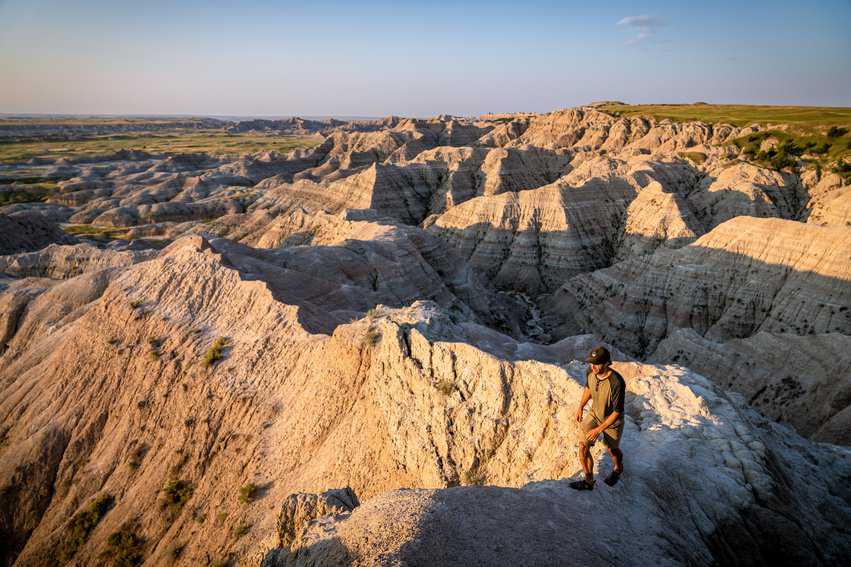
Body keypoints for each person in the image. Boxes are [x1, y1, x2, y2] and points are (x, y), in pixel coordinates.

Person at [569, 346, 625, 490]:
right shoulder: (591, 372)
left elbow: (617, 412)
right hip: (595, 414)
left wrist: (599, 430)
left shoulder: (616, 382)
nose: (593, 366)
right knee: (582, 447)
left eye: (597, 363)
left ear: (607, 363)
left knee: (612, 450)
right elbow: (589, 388)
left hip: (613, 421)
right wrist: (581, 406)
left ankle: (618, 468)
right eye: (591, 362)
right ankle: (588, 481)